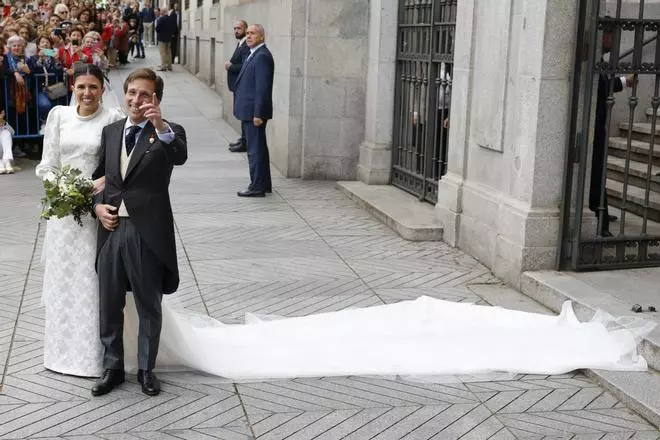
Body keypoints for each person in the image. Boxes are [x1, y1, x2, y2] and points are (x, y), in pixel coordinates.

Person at [91, 67, 187, 397]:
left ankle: (147, 369)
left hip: (147, 233)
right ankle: (112, 367)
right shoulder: (112, 131)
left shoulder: (169, 132)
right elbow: (101, 179)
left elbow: (179, 155)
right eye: (132, 92)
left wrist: (160, 125)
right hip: (112, 229)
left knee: (149, 304)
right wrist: (97, 208)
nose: (136, 100)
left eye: (145, 94)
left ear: (156, 98)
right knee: (109, 303)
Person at [35, 64, 124, 377]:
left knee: (92, 280)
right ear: (73, 86)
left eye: (93, 87)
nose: (87, 93)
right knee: (64, 280)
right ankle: (60, 353)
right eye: (81, 87)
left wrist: (94, 190)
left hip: (97, 215)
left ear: (102, 88)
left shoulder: (113, 119)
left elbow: (119, 168)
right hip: (64, 215)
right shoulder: (59, 115)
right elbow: (47, 166)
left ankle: (95, 357)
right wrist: (66, 190)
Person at [590, 28, 632, 237]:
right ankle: (601, 218)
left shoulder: (601, 63)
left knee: (599, 171)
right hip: (593, 129)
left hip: (599, 128)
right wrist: (624, 82)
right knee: (596, 172)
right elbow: (603, 87)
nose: (613, 41)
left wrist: (624, 82)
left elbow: (606, 85)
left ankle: (601, 211)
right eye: (611, 36)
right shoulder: (593, 62)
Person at [233, 24, 273, 197]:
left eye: (253, 33)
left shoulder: (262, 56)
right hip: (249, 112)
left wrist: (258, 113)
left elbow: (262, 89)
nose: (248, 36)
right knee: (259, 149)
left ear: (262, 37)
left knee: (255, 151)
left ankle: (256, 187)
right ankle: (263, 184)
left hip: (253, 114)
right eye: (247, 33)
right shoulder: (253, 54)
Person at [225, 19, 249, 153]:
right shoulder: (240, 43)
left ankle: (245, 142)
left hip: (241, 85)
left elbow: (245, 66)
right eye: (234, 28)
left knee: (243, 114)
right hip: (236, 85)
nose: (236, 31)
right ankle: (243, 139)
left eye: (239, 28)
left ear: (245, 29)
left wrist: (231, 66)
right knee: (239, 113)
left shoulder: (246, 45)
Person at [155, 6, 175, 71]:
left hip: (162, 38)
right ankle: (169, 66)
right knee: (168, 52)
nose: (160, 12)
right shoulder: (171, 19)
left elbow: (157, 28)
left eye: (161, 11)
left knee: (163, 52)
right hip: (169, 38)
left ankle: (163, 66)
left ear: (163, 12)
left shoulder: (161, 19)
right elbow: (173, 28)